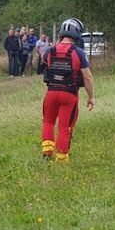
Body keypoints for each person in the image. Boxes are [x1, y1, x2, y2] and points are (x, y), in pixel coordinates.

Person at [41, 18, 94, 162]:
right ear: (77, 33)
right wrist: (91, 97)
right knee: (65, 127)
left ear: (60, 33)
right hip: (69, 95)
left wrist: (58, 43)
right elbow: (87, 77)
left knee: (48, 122)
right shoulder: (79, 53)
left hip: (51, 92)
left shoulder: (49, 51)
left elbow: (43, 59)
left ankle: (47, 153)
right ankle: (62, 158)